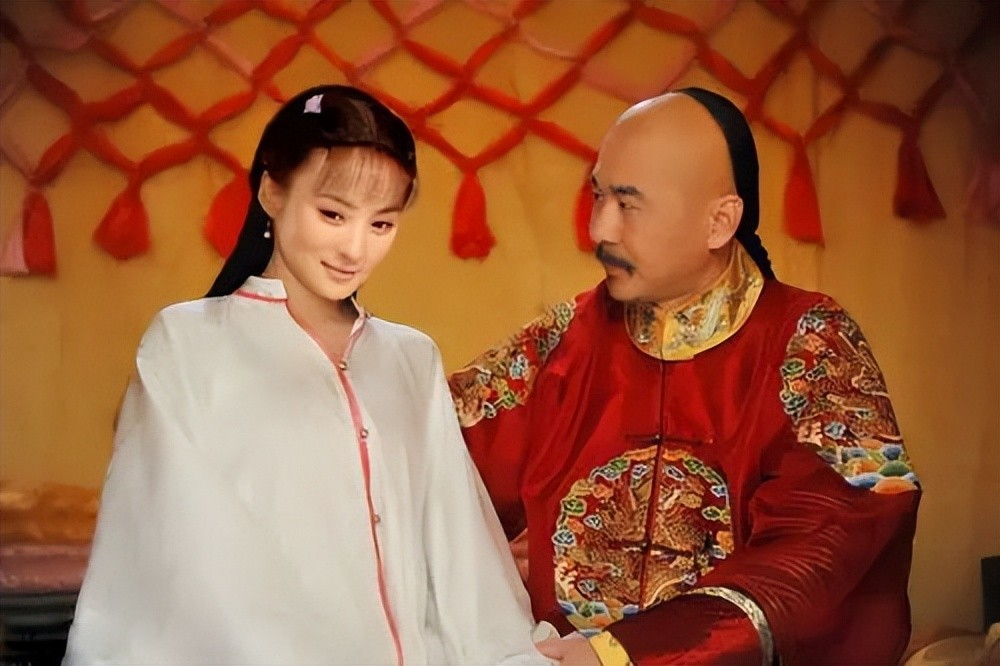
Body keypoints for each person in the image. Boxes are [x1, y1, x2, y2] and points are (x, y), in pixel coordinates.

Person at [64, 85, 550, 665]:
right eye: (333, 214)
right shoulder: (188, 345)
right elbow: (167, 557)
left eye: (382, 224)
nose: (354, 249)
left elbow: (457, 554)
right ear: (272, 191)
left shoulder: (410, 359)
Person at [448, 87, 921, 666]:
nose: (600, 229)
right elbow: (430, 460)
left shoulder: (811, 343)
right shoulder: (565, 342)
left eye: (628, 204)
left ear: (720, 221)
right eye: (598, 196)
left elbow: (828, 542)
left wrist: (623, 654)